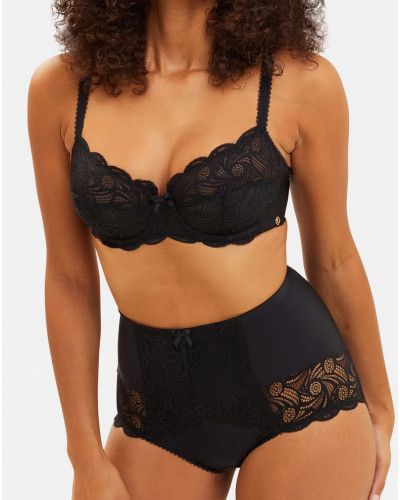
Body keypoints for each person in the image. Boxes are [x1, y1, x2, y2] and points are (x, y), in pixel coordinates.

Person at [27, 1, 394, 499]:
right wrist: (84, 455)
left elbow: (334, 258)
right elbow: (68, 279)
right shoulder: (61, 90)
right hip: (155, 408)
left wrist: (382, 409)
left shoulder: (300, 82)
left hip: (299, 392)